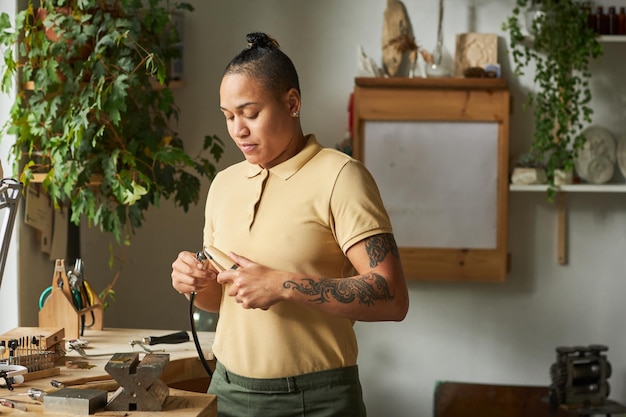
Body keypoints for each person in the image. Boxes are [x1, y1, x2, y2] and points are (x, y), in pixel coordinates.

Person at [171, 32, 409, 417]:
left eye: (250, 113)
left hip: (317, 399)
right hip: (227, 391)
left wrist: (283, 284)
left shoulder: (341, 176)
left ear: (292, 103)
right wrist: (194, 284)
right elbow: (222, 301)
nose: (237, 130)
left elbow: (392, 297)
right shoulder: (223, 184)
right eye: (229, 117)